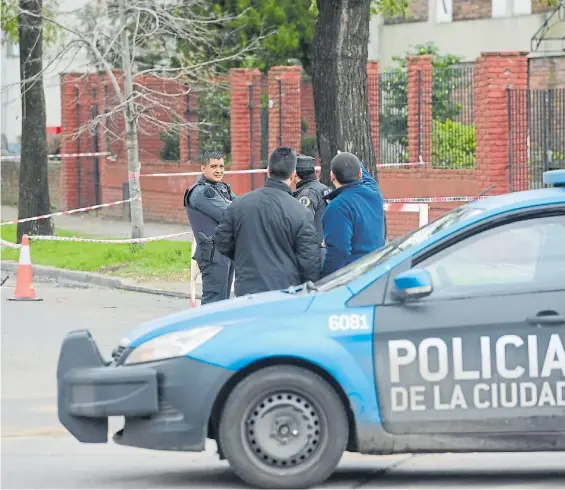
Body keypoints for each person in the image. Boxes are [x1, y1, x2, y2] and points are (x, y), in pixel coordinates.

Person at [215, 146, 321, 297]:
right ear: (293, 175)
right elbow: (310, 262)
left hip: (248, 290)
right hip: (285, 292)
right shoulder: (301, 212)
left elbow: (222, 241)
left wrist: (245, 256)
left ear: (267, 171)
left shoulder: (239, 205)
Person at [321, 151, 385, 278]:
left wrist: (323, 282)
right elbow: (369, 181)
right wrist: (356, 163)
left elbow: (339, 252)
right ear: (360, 173)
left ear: (332, 176)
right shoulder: (375, 195)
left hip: (353, 279)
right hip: (376, 274)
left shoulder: (337, 207)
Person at [183, 149, 236, 304]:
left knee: (222, 302)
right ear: (203, 168)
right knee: (213, 303)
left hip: (224, 252)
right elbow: (229, 213)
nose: (218, 170)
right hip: (213, 254)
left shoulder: (220, 188)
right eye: (213, 166)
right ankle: (205, 329)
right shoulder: (202, 192)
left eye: (221, 166)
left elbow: (240, 206)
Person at [292, 154, 331, 258]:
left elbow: (301, 223)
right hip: (327, 247)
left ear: (295, 173)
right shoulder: (323, 188)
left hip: (315, 252)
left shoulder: (307, 194)